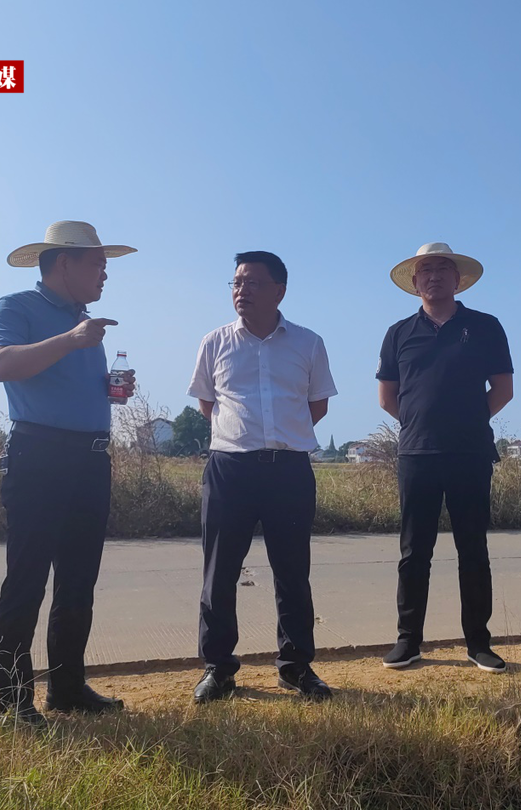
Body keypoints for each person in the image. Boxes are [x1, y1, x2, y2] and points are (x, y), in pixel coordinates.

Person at [0, 220, 137, 726]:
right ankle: (12, 700)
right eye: (98, 264)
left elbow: (68, 385)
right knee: (26, 580)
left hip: (90, 460)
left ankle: (67, 689)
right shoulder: (15, 308)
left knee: (77, 581)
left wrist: (111, 388)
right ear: (64, 263)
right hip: (39, 456)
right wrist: (70, 340)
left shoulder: (83, 322)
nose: (104, 274)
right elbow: (2, 364)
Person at [188, 251, 337, 703]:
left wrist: (279, 438)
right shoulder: (214, 342)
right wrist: (244, 437)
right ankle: (218, 669)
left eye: (253, 282)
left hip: (288, 470)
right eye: (236, 282)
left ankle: (295, 667)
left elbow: (316, 405)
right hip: (229, 469)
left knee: (292, 573)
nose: (242, 290)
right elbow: (207, 404)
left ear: (279, 291)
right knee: (219, 573)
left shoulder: (308, 343)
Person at [376, 242, 514, 673]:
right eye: (425, 270)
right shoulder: (398, 332)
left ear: (458, 279)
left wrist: (468, 421)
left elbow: (503, 389)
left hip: (470, 453)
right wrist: (421, 424)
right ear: (415, 281)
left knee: (473, 549)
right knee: (414, 552)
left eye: (442, 269)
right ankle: (408, 641)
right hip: (416, 454)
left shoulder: (485, 326)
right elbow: (387, 397)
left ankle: (478, 643)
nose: (433, 276)